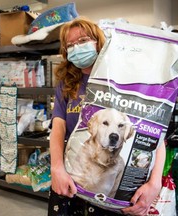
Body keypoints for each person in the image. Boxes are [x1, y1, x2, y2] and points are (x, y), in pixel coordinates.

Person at [48, 17, 165, 216]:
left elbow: (154, 132)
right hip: (72, 180)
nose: (77, 48)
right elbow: (58, 127)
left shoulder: (125, 82)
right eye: (71, 45)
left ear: (99, 42)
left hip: (115, 192)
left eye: (83, 40)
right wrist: (56, 168)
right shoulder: (67, 83)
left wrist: (155, 182)